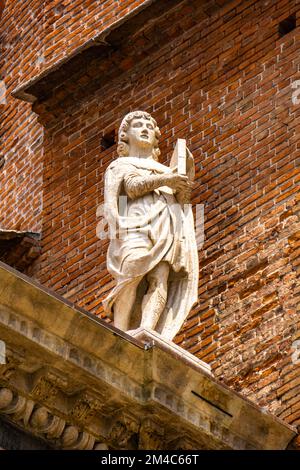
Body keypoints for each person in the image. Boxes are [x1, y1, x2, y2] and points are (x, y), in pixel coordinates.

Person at [103, 111, 199, 340]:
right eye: (138, 125)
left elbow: (180, 203)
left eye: (149, 126)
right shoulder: (121, 164)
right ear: (125, 136)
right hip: (134, 223)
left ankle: (148, 330)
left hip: (165, 223)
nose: (144, 128)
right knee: (131, 274)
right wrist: (167, 180)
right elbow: (133, 187)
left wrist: (183, 187)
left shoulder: (168, 171)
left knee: (160, 277)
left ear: (156, 138)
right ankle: (121, 329)